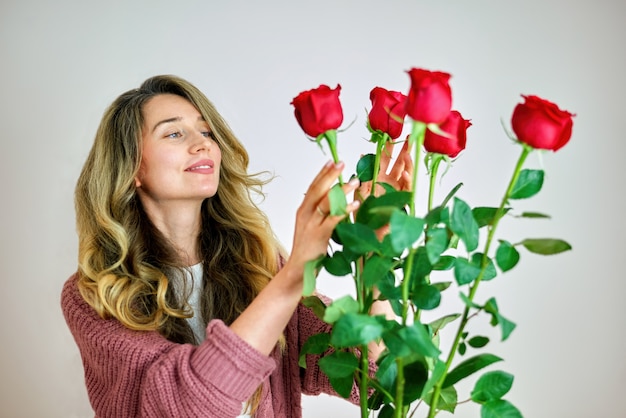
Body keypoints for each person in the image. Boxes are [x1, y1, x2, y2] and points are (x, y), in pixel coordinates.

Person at [61, 74, 413, 418]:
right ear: (133, 167)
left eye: (206, 131)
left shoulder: (257, 264)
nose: (202, 144)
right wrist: (293, 275)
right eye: (173, 133)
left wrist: (373, 259)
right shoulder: (95, 295)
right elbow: (183, 406)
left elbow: (373, 377)